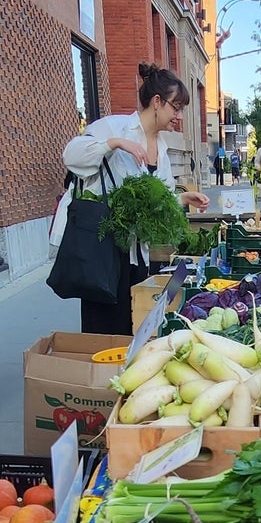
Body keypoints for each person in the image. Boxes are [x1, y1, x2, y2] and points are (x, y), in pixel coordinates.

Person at [61, 62, 208, 336]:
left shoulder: (161, 148)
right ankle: (99, 376)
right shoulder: (114, 127)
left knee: (134, 326)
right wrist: (114, 144)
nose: (179, 116)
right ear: (157, 101)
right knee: (104, 329)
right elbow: (72, 156)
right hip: (103, 251)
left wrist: (183, 198)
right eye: (176, 107)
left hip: (136, 254)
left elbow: (157, 203)